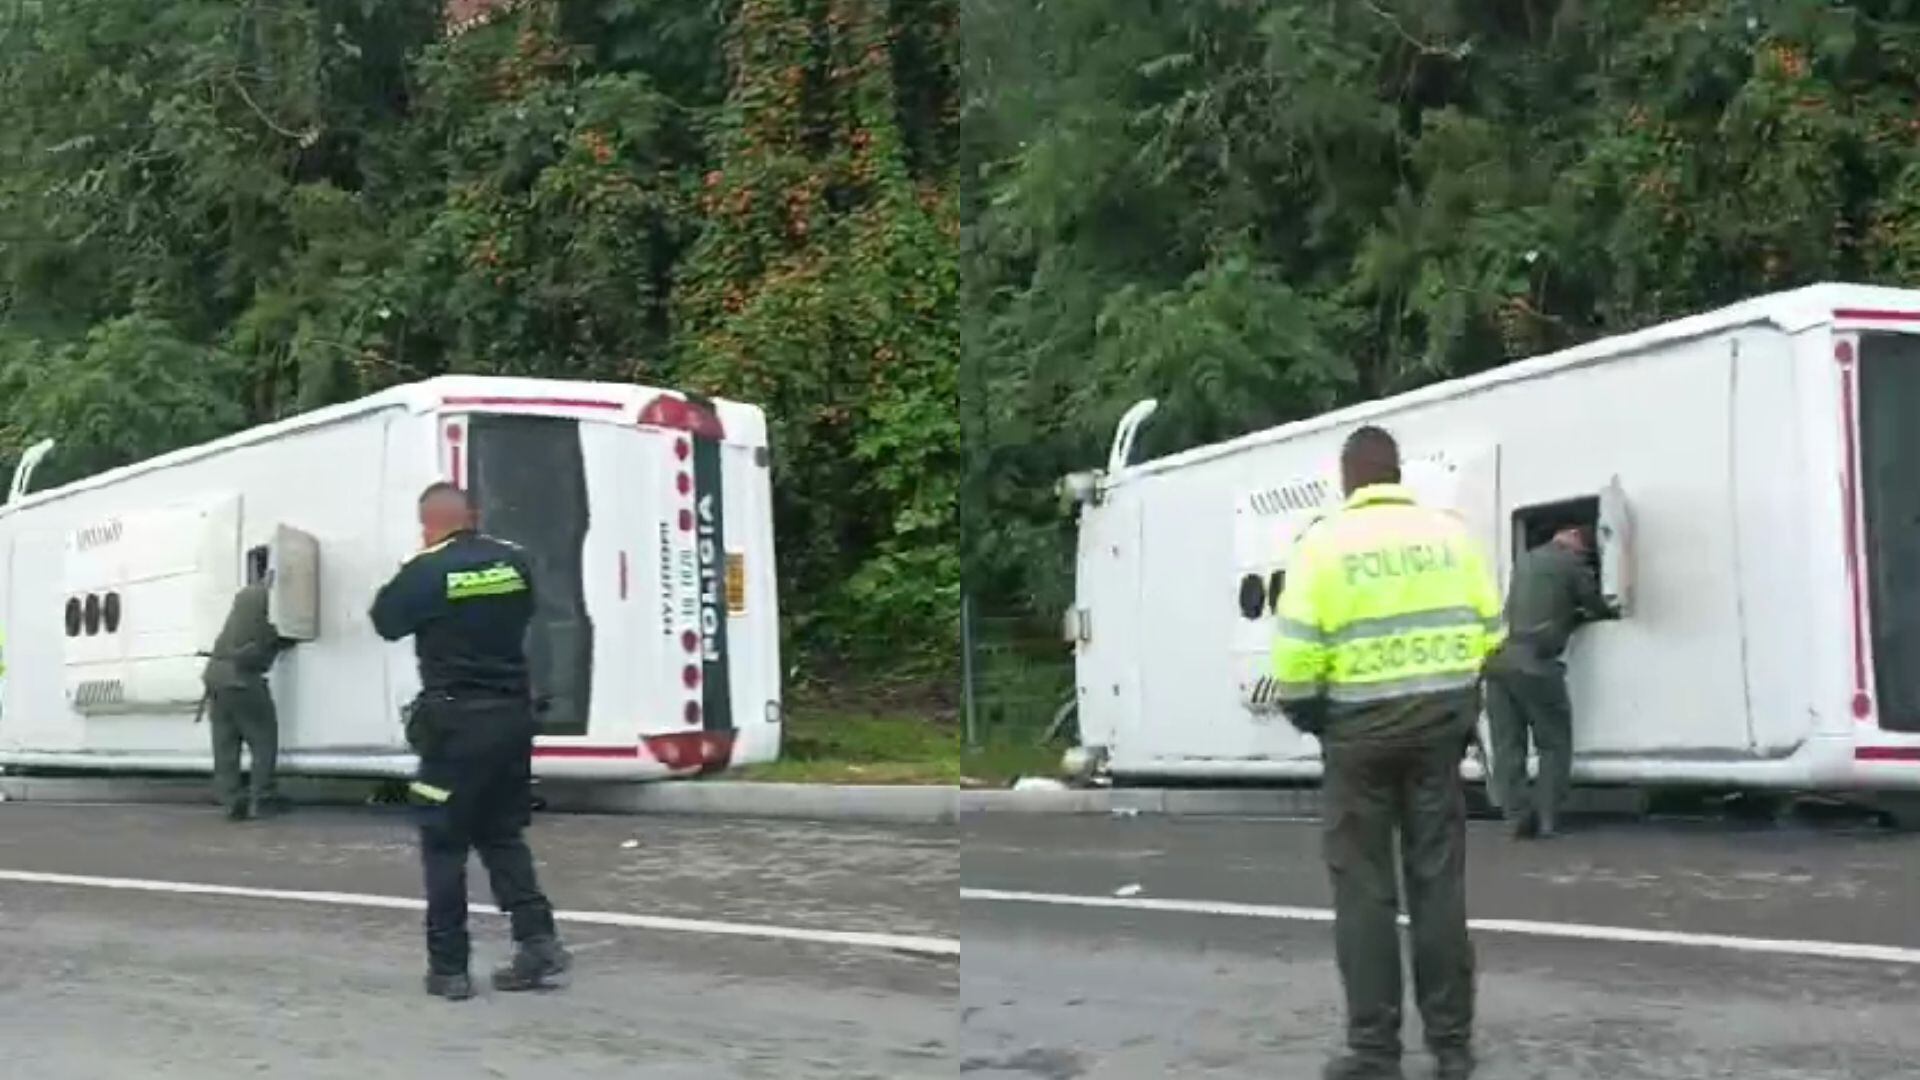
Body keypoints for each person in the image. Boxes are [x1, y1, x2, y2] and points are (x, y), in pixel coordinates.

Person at [1271, 426, 1504, 1080]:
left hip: (1357, 741)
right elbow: (1491, 636)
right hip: (1437, 737)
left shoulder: (1321, 546)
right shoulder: (1450, 537)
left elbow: (1293, 665)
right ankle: (1453, 1049)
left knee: (1365, 894)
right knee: (1438, 888)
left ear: (1348, 480)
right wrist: (1455, 710)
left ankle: (1375, 1052)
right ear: (1396, 476)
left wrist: (1320, 723)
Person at [369, 483, 570, 1001]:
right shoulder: (515, 561)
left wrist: (415, 567)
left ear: (427, 524)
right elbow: (524, 612)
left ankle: (450, 969)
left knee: (444, 843)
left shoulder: (426, 570)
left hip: (455, 726)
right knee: (502, 835)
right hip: (511, 720)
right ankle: (537, 941)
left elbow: (384, 622)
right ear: (473, 515)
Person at [1483, 524, 1613, 840]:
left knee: (1507, 745)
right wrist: (1596, 611)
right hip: (1537, 663)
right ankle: (1546, 819)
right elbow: (1596, 603)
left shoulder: (1526, 559)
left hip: (1499, 660)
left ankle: (1515, 815)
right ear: (1578, 543)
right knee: (1554, 742)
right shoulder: (1572, 564)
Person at [200, 548, 295, 821]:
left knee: (226, 741)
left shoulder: (245, 595)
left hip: (215, 674)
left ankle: (232, 800)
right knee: (263, 738)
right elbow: (277, 633)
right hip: (242, 676)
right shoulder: (273, 598)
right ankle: (261, 797)